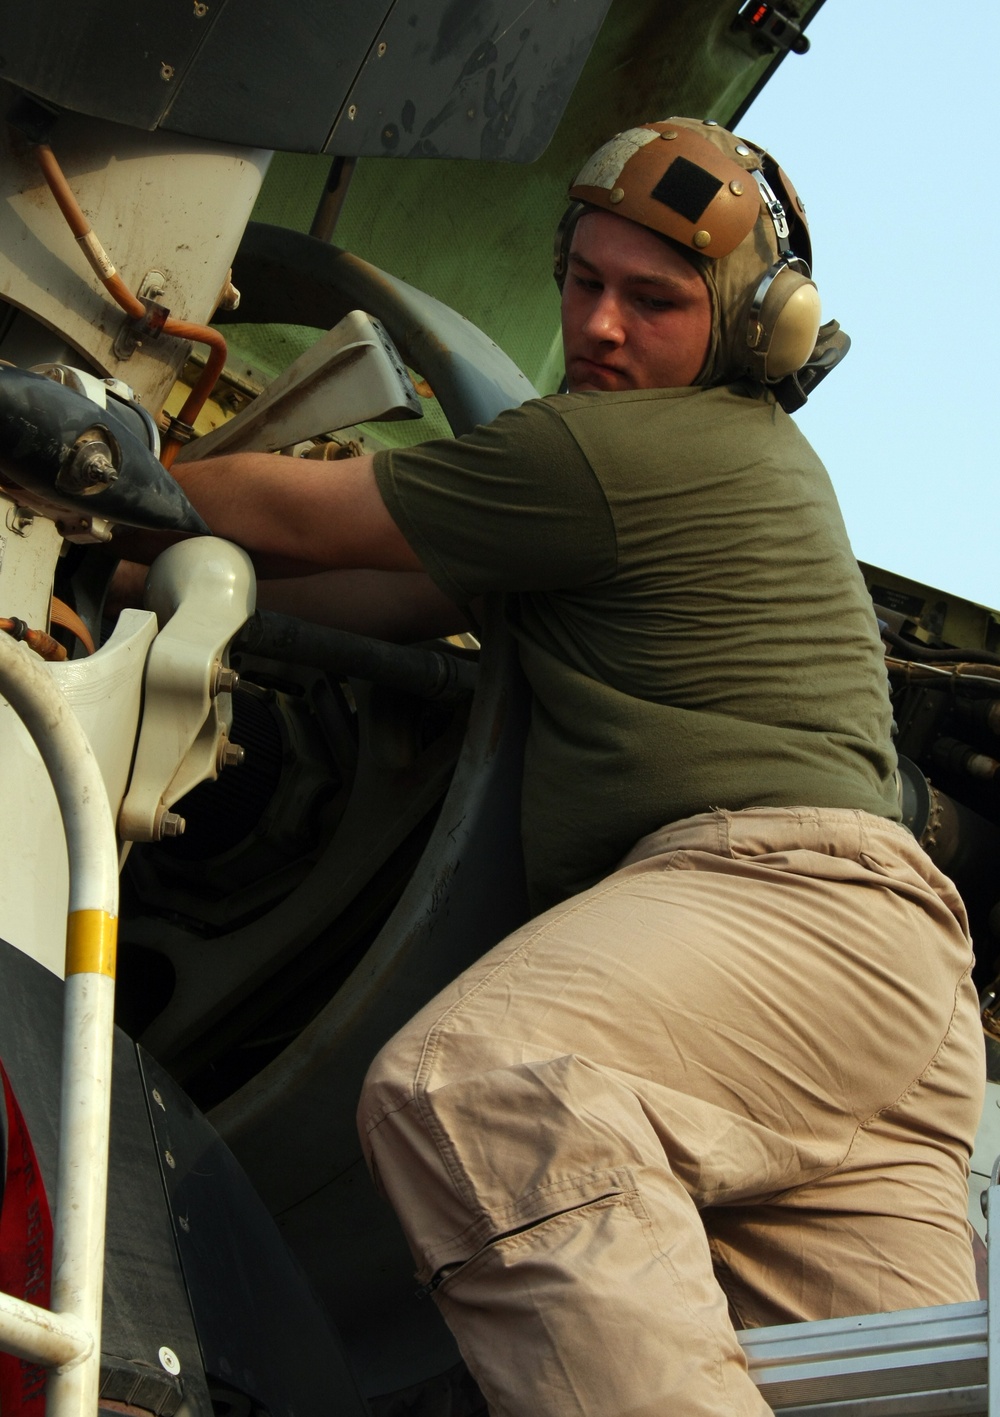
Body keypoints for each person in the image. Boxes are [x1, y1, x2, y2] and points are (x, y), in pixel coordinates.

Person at [167, 118, 984, 1416]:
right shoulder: (655, 487)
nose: (601, 327)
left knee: (479, 1086)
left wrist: (111, 470)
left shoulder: (608, 453)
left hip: (775, 909)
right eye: (584, 282)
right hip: (881, 996)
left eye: (652, 300)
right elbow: (372, 596)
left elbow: (288, 511)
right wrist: (146, 589)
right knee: (879, 1396)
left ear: (744, 332)